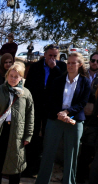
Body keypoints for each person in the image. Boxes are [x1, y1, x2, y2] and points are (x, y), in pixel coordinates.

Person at [34, 52, 91, 184]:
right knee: (48, 151)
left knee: (71, 155)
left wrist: (67, 113)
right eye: (68, 63)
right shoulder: (58, 80)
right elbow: (50, 99)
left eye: (73, 63)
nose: (70, 65)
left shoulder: (85, 82)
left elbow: (82, 103)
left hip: (74, 120)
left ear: (80, 65)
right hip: (56, 118)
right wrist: (60, 113)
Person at [23, 44, 67, 176]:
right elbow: (29, 85)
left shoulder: (61, 66)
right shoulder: (36, 66)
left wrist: (54, 68)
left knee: (48, 137)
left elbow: (64, 82)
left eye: (55, 56)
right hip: (36, 106)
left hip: (51, 108)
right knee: (33, 135)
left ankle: (43, 170)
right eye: (50, 55)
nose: (52, 58)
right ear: (45, 55)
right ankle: (29, 167)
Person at [76, 51, 98, 184]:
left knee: (88, 149)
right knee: (74, 147)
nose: (95, 63)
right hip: (77, 115)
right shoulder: (79, 74)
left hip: (94, 119)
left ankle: (81, 177)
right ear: (89, 61)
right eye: (93, 60)